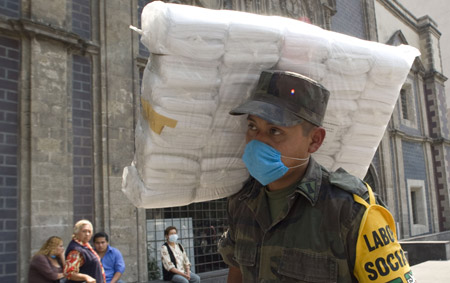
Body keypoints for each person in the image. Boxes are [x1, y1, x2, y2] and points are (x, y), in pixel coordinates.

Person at [218, 70, 415, 282]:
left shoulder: (351, 210)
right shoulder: (242, 203)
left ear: (315, 140)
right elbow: (236, 272)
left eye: (275, 131)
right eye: (252, 126)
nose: (258, 141)